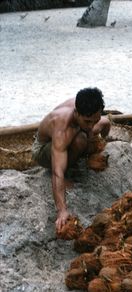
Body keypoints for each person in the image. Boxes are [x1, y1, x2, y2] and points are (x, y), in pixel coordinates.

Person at [32, 87, 110, 232]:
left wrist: (100, 142)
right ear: (76, 113)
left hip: (76, 129)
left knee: (99, 127)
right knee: (80, 140)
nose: (91, 125)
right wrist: (62, 210)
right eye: (87, 121)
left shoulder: (90, 112)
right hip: (43, 149)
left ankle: (83, 147)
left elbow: (105, 124)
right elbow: (57, 172)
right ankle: (70, 170)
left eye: (95, 120)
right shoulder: (63, 128)